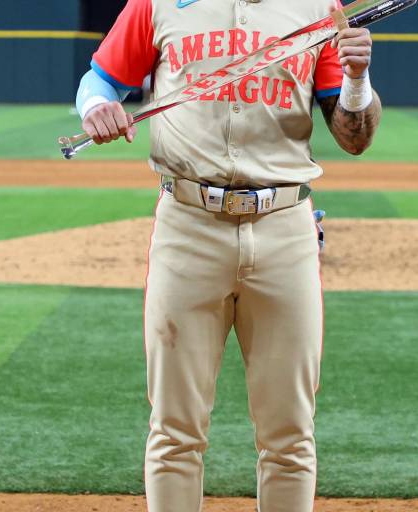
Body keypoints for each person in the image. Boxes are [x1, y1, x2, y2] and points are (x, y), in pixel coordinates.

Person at [76, 0, 381, 510]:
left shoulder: (318, 8)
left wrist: (356, 79)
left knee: (289, 435)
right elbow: (99, 79)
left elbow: (355, 138)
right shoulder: (155, 3)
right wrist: (95, 107)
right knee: (175, 431)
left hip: (284, 228)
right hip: (188, 225)